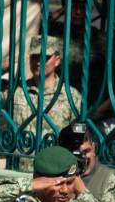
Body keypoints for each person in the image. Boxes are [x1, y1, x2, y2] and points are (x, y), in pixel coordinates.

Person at [7, 36, 82, 171]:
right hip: (19, 172)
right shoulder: (17, 91)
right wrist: (7, 65)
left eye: (45, 57)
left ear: (57, 60)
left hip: (54, 174)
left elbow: (79, 138)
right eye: (34, 57)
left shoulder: (71, 96)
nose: (38, 62)